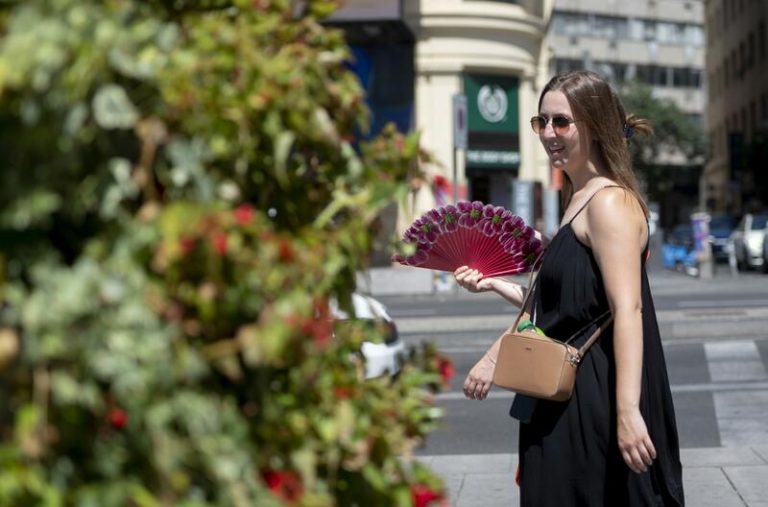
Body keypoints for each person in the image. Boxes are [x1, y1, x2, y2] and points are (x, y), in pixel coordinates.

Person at [453, 70, 684, 506]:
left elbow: (628, 310)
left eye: (562, 122)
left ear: (593, 125)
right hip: (560, 394)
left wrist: (627, 410)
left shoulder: (609, 202)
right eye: (542, 122)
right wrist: (495, 284)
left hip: (592, 397)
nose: (549, 134)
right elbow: (568, 311)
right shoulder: (577, 199)